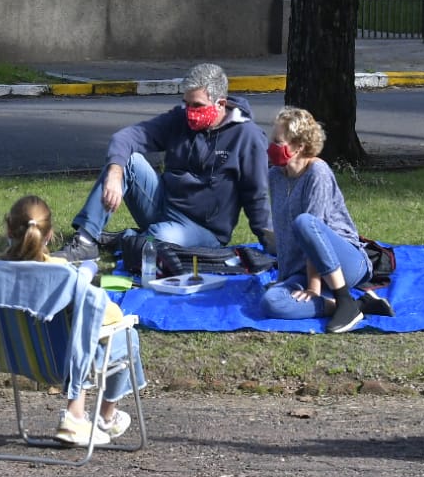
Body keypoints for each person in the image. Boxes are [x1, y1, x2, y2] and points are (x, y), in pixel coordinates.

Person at [54, 62, 274, 264]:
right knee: (128, 160)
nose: (190, 113)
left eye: (197, 105)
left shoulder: (248, 136)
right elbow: (126, 137)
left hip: (203, 230)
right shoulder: (179, 119)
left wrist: (270, 244)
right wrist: (115, 171)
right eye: (186, 104)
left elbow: (257, 196)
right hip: (163, 205)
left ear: (221, 104)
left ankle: (129, 239)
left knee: (156, 242)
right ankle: (85, 242)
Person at [0, 195, 141, 447]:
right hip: (65, 364)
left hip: (15, 357)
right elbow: (107, 316)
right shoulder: (62, 274)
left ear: (9, 228)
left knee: (80, 335)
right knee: (126, 336)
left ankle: (91, 417)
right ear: (50, 235)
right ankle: (103, 415)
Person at [260, 107, 392, 333]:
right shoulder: (275, 176)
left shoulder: (317, 172)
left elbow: (312, 231)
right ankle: (359, 304)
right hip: (302, 269)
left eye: (277, 141)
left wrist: (313, 287)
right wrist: (285, 279)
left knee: (304, 222)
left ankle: (343, 299)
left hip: (345, 263)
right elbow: (282, 230)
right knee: (271, 302)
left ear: (299, 146)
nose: (271, 147)